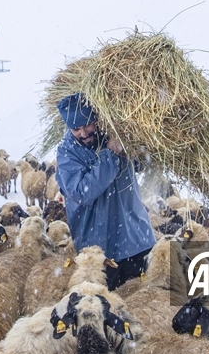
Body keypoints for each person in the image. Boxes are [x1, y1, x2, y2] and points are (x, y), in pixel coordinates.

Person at [54, 93, 157, 290]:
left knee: (143, 307)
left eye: (88, 124)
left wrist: (135, 143)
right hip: (99, 252)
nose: (83, 133)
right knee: (106, 311)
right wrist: (110, 154)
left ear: (97, 119)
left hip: (137, 239)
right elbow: (82, 192)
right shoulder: (68, 153)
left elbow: (141, 163)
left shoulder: (115, 135)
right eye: (76, 128)